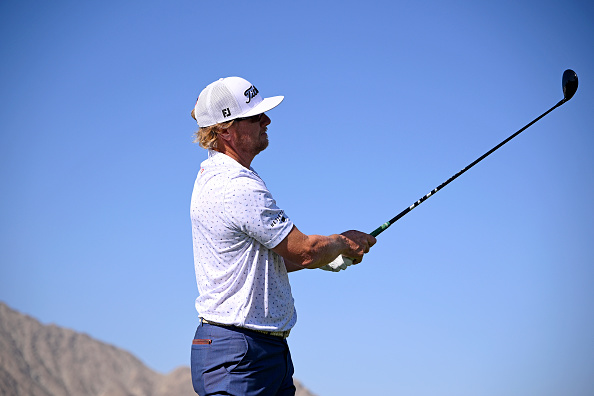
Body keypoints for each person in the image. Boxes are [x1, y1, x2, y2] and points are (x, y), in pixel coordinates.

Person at [189, 76, 376, 396]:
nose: (267, 120)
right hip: (240, 354)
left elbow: (271, 258)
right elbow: (304, 250)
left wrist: (327, 257)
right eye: (255, 116)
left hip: (261, 352)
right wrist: (341, 243)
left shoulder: (221, 175)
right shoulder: (236, 185)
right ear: (225, 129)